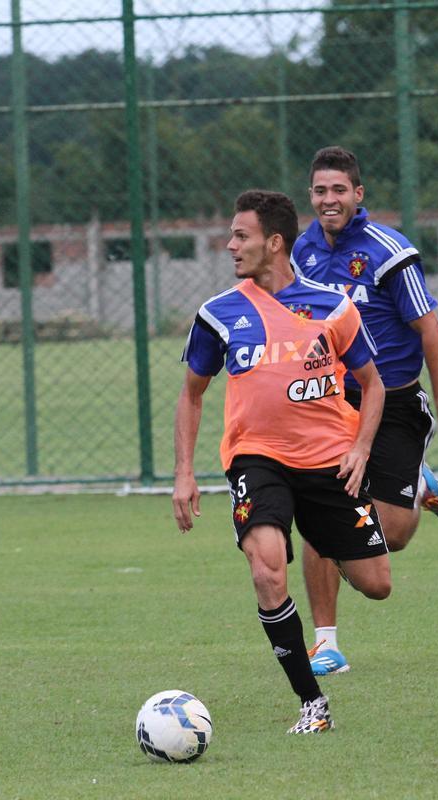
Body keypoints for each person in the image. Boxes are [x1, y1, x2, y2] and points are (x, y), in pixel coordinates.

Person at [172, 189, 390, 734]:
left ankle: (328, 538)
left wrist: (361, 447)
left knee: (376, 583)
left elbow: (372, 383)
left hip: (329, 463)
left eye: (240, 235)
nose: (229, 245)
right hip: (256, 460)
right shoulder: (218, 314)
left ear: (274, 242)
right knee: (268, 569)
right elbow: (191, 394)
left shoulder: (332, 307)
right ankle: (312, 704)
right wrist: (183, 474)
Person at [292, 146, 438, 677]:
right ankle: (325, 643)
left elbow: (429, 327)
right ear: (311, 196)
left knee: (390, 535)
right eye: (321, 191)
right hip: (330, 403)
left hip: (392, 402)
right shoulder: (299, 252)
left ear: (358, 194)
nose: (330, 200)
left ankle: (415, 481)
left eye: (339, 190)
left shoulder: (388, 252)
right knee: (319, 514)